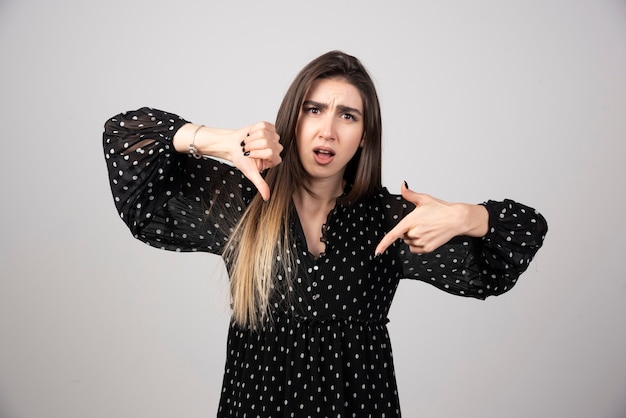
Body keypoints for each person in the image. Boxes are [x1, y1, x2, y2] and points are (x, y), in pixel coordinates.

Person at [103, 50, 547, 417]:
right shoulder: (242, 202)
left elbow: (522, 234)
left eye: (347, 116)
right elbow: (125, 141)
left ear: (364, 135)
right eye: (313, 109)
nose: (328, 130)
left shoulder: (389, 219)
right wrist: (216, 140)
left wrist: (467, 217)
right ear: (292, 120)